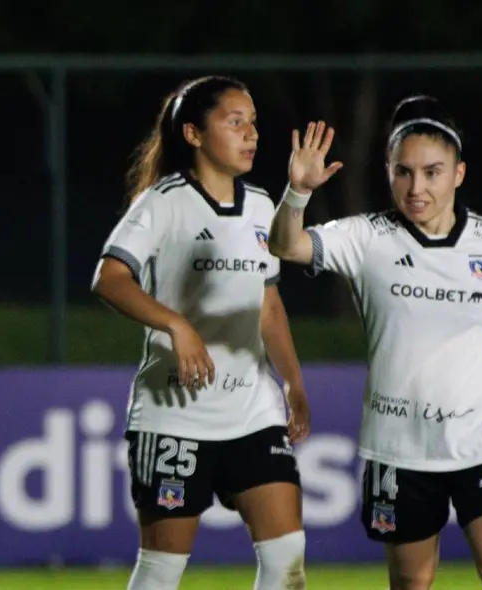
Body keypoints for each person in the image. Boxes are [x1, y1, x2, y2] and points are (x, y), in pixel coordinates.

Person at [267, 95, 482, 590]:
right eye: (403, 172)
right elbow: (284, 245)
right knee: (411, 582)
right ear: (388, 171)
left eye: (432, 172)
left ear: (459, 173)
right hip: (398, 449)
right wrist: (297, 193)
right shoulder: (366, 238)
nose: (416, 187)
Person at [92, 76, 311, 590]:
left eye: (253, 123)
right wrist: (177, 324)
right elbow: (109, 278)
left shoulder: (262, 206)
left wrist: (293, 382)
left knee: (287, 560)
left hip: (252, 411)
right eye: (235, 123)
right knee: (162, 571)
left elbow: (269, 304)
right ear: (193, 133)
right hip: (175, 413)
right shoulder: (162, 202)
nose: (251, 134)